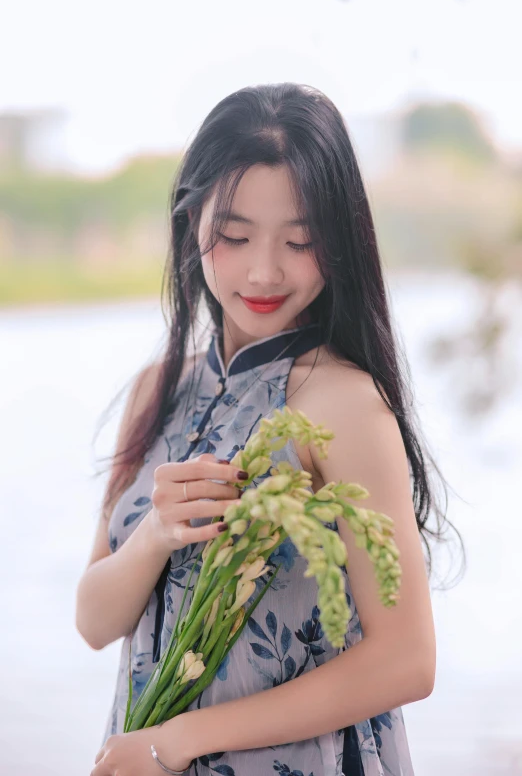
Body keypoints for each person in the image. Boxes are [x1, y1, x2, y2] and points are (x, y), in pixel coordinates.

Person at [77, 82, 464, 776]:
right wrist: (157, 533)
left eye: (301, 240)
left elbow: (408, 659)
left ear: (341, 241)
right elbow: (94, 620)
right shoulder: (157, 390)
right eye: (233, 236)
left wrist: (176, 739)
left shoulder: (343, 401)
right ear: (191, 221)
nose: (264, 270)